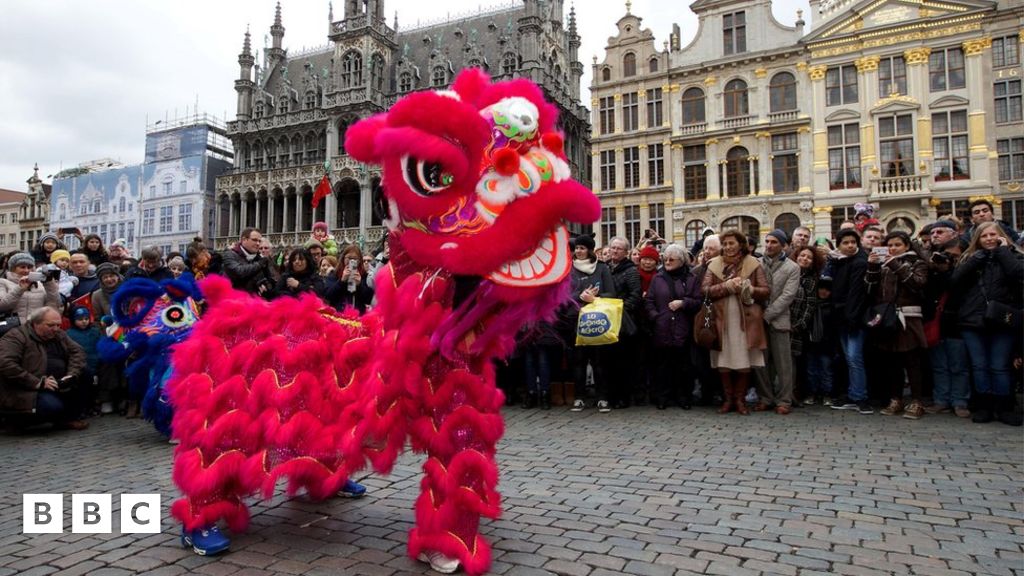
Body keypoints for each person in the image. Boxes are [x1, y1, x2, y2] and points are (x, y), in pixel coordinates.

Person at [951, 222, 1024, 425]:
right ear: (977, 239)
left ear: (1001, 236)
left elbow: (1019, 274)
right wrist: (977, 259)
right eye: (984, 236)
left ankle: (1004, 407)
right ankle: (984, 406)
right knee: (979, 366)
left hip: (1003, 320)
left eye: (993, 235)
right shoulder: (970, 258)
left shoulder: (1013, 256)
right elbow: (955, 281)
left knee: (999, 366)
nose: (989, 239)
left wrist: (1003, 252)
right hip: (973, 320)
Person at [701, 231, 769, 415]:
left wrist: (749, 288)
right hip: (721, 318)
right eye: (725, 244)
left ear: (741, 244)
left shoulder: (753, 263)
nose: (728, 247)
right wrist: (726, 286)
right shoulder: (714, 265)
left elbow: (765, 291)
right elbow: (705, 291)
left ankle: (740, 399)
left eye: (732, 243)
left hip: (745, 319)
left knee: (743, 360)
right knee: (723, 360)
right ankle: (728, 399)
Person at [865, 231, 929, 420]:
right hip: (886, 317)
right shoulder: (882, 265)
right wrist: (872, 267)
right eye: (890, 245)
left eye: (897, 245)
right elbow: (869, 290)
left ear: (906, 246)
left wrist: (895, 264)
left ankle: (917, 401)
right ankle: (896, 398)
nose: (892, 249)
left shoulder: (917, 262)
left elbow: (917, 284)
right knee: (892, 362)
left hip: (908, 317)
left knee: (912, 361)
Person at [0, 307, 88, 430]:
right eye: (50, 325)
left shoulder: (59, 334)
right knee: (51, 407)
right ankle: (15, 420)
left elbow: (77, 352)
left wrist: (71, 374)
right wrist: (37, 382)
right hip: (27, 388)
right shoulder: (16, 337)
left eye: (58, 325)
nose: (56, 329)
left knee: (84, 373)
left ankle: (68, 417)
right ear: (36, 323)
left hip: (56, 382)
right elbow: (6, 364)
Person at [644, 243, 701, 409]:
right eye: (665, 258)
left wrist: (684, 303)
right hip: (662, 328)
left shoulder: (691, 279)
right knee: (662, 366)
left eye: (671, 259)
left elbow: (698, 301)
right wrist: (656, 317)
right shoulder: (658, 278)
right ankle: (663, 398)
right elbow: (649, 301)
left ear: (681, 260)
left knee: (683, 366)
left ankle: (683, 397)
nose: (667, 262)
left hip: (683, 328)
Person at [562, 234, 614, 412]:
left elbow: (611, 293)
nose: (579, 251)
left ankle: (602, 397)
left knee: (600, 360)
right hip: (575, 320)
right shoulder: (569, 270)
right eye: (577, 248)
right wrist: (580, 297)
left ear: (590, 250)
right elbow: (563, 295)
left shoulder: (602, 268)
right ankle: (579, 397)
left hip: (598, 320)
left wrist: (595, 298)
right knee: (578, 361)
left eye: (582, 248)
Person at [924, 221, 970, 418]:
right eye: (933, 232)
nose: (935, 235)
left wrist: (946, 269)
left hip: (956, 317)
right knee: (939, 364)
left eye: (940, 232)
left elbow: (958, 286)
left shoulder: (965, 255)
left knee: (958, 364)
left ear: (953, 234)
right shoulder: (929, 257)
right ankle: (941, 399)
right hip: (935, 318)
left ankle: (960, 401)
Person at [754, 230, 800, 415]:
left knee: (784, 364)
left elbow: (788, 296)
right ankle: (765, 397)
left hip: (779, 320)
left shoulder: (792, 267)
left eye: (774, 242)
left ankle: (784, 399)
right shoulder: (757, 263)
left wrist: (768, 314)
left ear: (783, 245)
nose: (769, 245)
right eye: (767, 241)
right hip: (758, 320)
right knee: (760, 363)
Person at [828, 229, 873, 415]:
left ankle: (859, 396)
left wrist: (851, 318)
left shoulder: (860, 262)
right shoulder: (839, 262)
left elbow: (856, 294)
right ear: (839, 244)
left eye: (853, 242)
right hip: (842, 317)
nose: (850, 245)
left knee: (855, 358)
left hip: (854, 318)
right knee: (848, 358)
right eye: (845, 242)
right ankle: (853, 393)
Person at [606, 236, 643, 409]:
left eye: (619, 248)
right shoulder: (605, 268)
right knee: (608, 361)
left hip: (623, 321)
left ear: (626, 252)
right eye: (613, 247)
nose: (615, 251)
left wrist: (617, 310)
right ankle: (610, 395)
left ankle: (623, 396)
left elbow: (635, 296)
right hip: (606, 321)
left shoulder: (631, 271)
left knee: (623, 361)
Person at [90, 262, 127, 415]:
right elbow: (98, 319)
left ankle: (125, 398)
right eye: (105, 277)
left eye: (112, 276)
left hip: (127, 332)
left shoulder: (126, 290)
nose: (109, 279)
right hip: (108, 334)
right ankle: (107, 398)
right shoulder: (97, 295)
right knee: (107, 361)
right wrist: (108, 332)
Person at [789, 246, 823, 405]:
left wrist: (800, 324)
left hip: (798, 326)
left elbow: (811, 304)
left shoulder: (812, 279)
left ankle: (797, 392)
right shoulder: (789, 274)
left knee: (797, 361)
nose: (804, 259)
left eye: (809, 257)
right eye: (802, 255)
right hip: (783, 322)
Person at [691, 234, 722, 406]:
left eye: (711, 249)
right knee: (701, 360)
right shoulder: (696, 271)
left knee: (719, 359)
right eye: (706, 248)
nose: (707, 252)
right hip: (701, 319)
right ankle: (706, 392)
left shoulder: (727, 269)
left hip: (720, 318)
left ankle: (721, 392)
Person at [0, 252, 61, 321]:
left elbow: (54, 304)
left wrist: (49, 283)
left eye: (30, 267)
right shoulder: (3, 282)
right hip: (12, 328)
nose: (26, 270)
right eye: (22, 267)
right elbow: (2, 306)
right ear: (13, 269)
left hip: (36, 327)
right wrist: (19, 289)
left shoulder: (41, 285)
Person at [221, 228, 275, 298]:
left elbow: (270, 280)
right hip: (233, 301)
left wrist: (265, 286)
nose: (258, 243)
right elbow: (239, 271)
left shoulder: (260, 258)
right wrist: (259, 264)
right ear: (244, 240)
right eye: (254, 240)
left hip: (253, 302)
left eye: (259, 241)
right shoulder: (230, 254)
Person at [66, 306, 101, 412]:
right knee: (86, 387)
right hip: (82, 365)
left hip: (97, 362)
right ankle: (86, 406)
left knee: (98, 385)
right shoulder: (69, 334)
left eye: (86, 318)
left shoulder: (95, 331)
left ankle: (99, 403)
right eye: (80, 319)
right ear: (73, 320)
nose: (84, 322)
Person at [324, 245, 374, 313]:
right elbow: (328, 296)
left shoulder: (364, 275)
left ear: (359, 260)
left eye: (355, 258)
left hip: (357, 315)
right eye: (349, 258)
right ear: (343, 258)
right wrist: (341, 281)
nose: (352, 261)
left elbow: (369, 299)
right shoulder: (334, 274)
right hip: (338, 315)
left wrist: (359, 285)